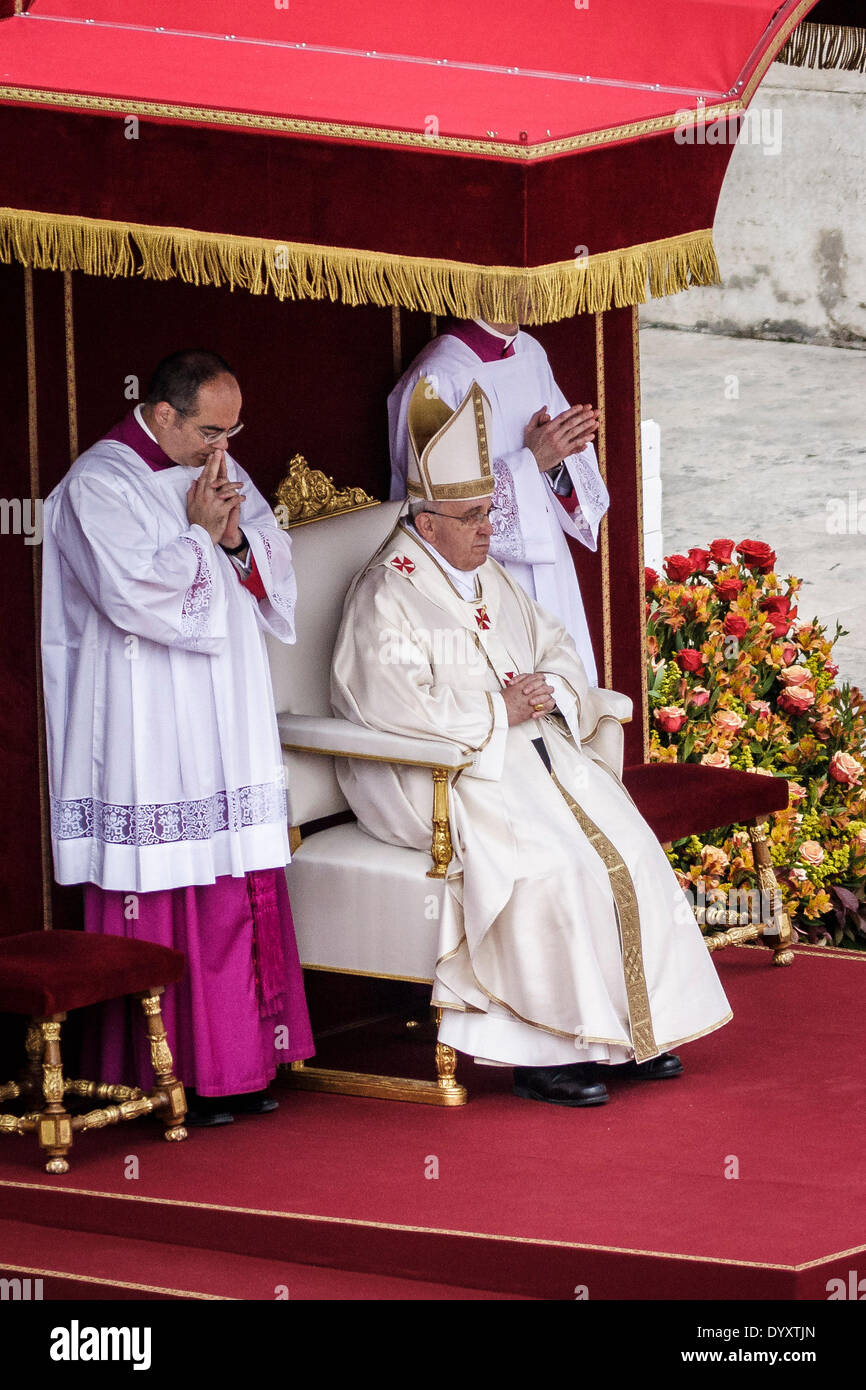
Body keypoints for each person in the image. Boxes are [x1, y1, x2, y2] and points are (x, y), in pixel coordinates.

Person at [333, 379, 731, 1106]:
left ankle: (628, 1033)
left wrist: (548, 689)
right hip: (438, 775)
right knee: (550, 864)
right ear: (425, 523)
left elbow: (555, 644)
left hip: (521, 751)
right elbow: (386, 710)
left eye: (487, 511)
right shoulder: (385, 595)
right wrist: (498, 710)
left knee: (627, 843)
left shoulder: (481, 571)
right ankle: (546, 1051)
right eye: (473, 515)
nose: (490, 529)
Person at [42, 349, 313, 1126]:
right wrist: (200, 536)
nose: (222, 447)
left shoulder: (216, 462)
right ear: (161, 413)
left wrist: (233, 544)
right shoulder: (99, 484)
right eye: (208, 429)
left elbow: (268, 554)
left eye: (233, 429)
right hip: (146, 716)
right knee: (170, 885)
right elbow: (134, 597)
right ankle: (175, 1074)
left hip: (224, 703)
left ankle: (244, 1062)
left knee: (235, 878)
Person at [388, 315, 607, 684]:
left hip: (549, 556)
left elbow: (558, 467)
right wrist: (531, 460)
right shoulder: (437, 376)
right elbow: (426, 503)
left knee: (566, 686)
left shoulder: (531, 353)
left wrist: (556, 459)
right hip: (482, 571)